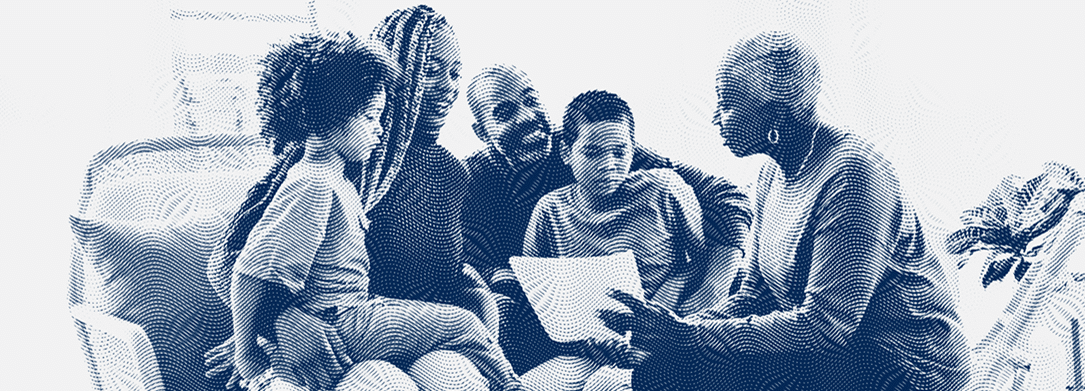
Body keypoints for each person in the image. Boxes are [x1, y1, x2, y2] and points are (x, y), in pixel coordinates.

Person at [603, 31, 972, 391]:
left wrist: (693, 336)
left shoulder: (854, 173)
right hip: (832, 352)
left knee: (677, 374)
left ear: (775, 116)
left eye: (727, 102)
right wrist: (675, 330)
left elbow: (826, 327)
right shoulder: (770, 174)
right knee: (660, 365)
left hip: (905, 367)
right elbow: (755, 296)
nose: (715, 117)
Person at [203, 33, 522, 391]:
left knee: (462, 335)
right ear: (332, 116)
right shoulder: (314, 181)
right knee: (460, 326)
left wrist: (478, 289)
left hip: (362, 315)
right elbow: (246, 267)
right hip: (342, 321)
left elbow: (448, 268)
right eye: (371, 116)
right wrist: (258, 340)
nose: (380, 127)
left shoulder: (433, 171)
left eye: (455, 73)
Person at [461, 64, 750, 377]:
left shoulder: (590, 147)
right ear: (480, 131)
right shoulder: (472, 182)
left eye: (532, 101)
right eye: (504, 113)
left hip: (658, 312)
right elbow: (485, 281)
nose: (527, 117)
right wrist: (575, 337)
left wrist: (707, 295)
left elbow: (726, 197)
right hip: (550, 329)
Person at [517, 90, 732, 391]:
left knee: (606, 385)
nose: (609, 165)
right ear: (566, 152)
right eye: (592, 153)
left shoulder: (665, 190)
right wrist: (583, 340)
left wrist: (657, 314)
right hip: (587, 350)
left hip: (659, 341)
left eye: (620, 151)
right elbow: (537, 291)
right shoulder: (550, 210)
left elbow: (698, 263)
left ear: (634, 147)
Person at [363, 4, 503, 338]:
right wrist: (271, 329)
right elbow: (235, 255)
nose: (448, 87)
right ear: (389, 72)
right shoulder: (352, 157)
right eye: (430, 69)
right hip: (363, 336)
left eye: (455, 73)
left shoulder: (451, 171)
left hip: (435, 336)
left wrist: (481, 299)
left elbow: (447, 276)